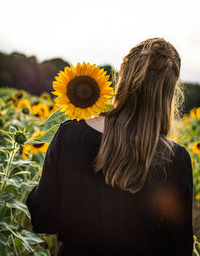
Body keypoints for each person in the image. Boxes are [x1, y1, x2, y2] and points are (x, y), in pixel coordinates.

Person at [26, 37, 194, 256]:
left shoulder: (69, 134)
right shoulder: (175, 159)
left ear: (123, 76)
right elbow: (179, 247)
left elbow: (43, 219)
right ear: (169, 93)